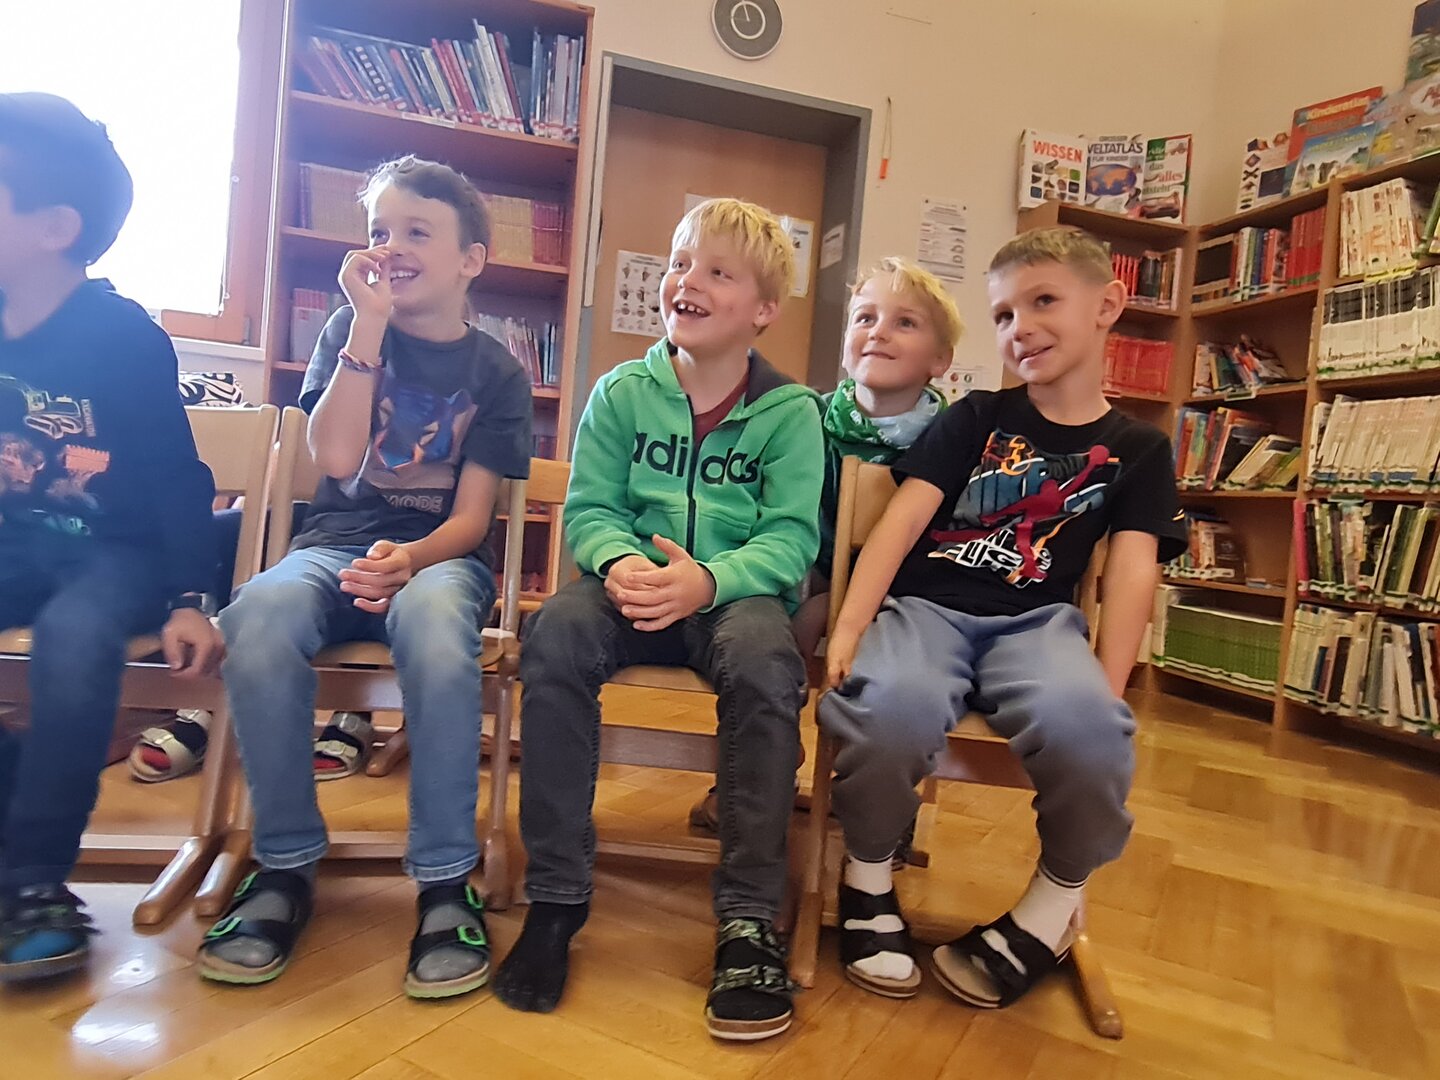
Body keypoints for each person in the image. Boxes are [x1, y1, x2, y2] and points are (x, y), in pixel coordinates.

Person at [819, 225, 1185, 1005]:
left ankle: (1051, 908)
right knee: (889, 707)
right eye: (1005, 315)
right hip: (927, 610)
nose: (1022, 327)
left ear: (1107, 305)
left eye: (1043, 301)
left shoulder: (1140, 448)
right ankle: (867, 876)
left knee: (1092, 732)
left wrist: (1108, 689)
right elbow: (902, 524)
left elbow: (1132, 572)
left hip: (1038, 627)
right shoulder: (977, 416)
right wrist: (849, 627)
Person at [198, 155, 531, 1000]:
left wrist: (411, 559)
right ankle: (283, 864)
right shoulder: (349, 331)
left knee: (437, 631)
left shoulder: (497, 373)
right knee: (257, 616)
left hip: (439, 557)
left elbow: (472, 518)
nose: (391, 246)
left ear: (471, 259)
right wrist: (368, 328)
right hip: (334, 545)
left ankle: (445, 879)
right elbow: (338, 458)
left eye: (418, 231)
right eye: (381, 229)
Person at [495, 198, 823, 1041]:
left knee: (767, 663)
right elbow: (590, 509)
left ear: (763, 309)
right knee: (556, 633)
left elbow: (791, 539)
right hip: (631, 586)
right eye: (680, 263)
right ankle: (556, 899)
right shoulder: (620, 392)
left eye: (717, 271)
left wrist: (708, 580)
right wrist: (619, 562)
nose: (687, 281)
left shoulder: (793, 413)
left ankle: (748, 918)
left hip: (733, 596)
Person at [0, 93, 222, 983]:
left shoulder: (123, 336)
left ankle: (34, 879)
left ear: (55, 227)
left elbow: (177, 477)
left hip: (116, 554)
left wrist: (191, 598)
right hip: (17, 544)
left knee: (75, 636)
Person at [688, 255, 960, 836]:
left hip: (906, 597)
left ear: (940, 360)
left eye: (904, 323)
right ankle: (761, 766)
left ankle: (878, 795)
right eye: (865, 318)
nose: (878, 332)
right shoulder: (805, 415)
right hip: (808, 574)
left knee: (899, 665)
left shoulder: (952, 438)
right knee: (769, 632)